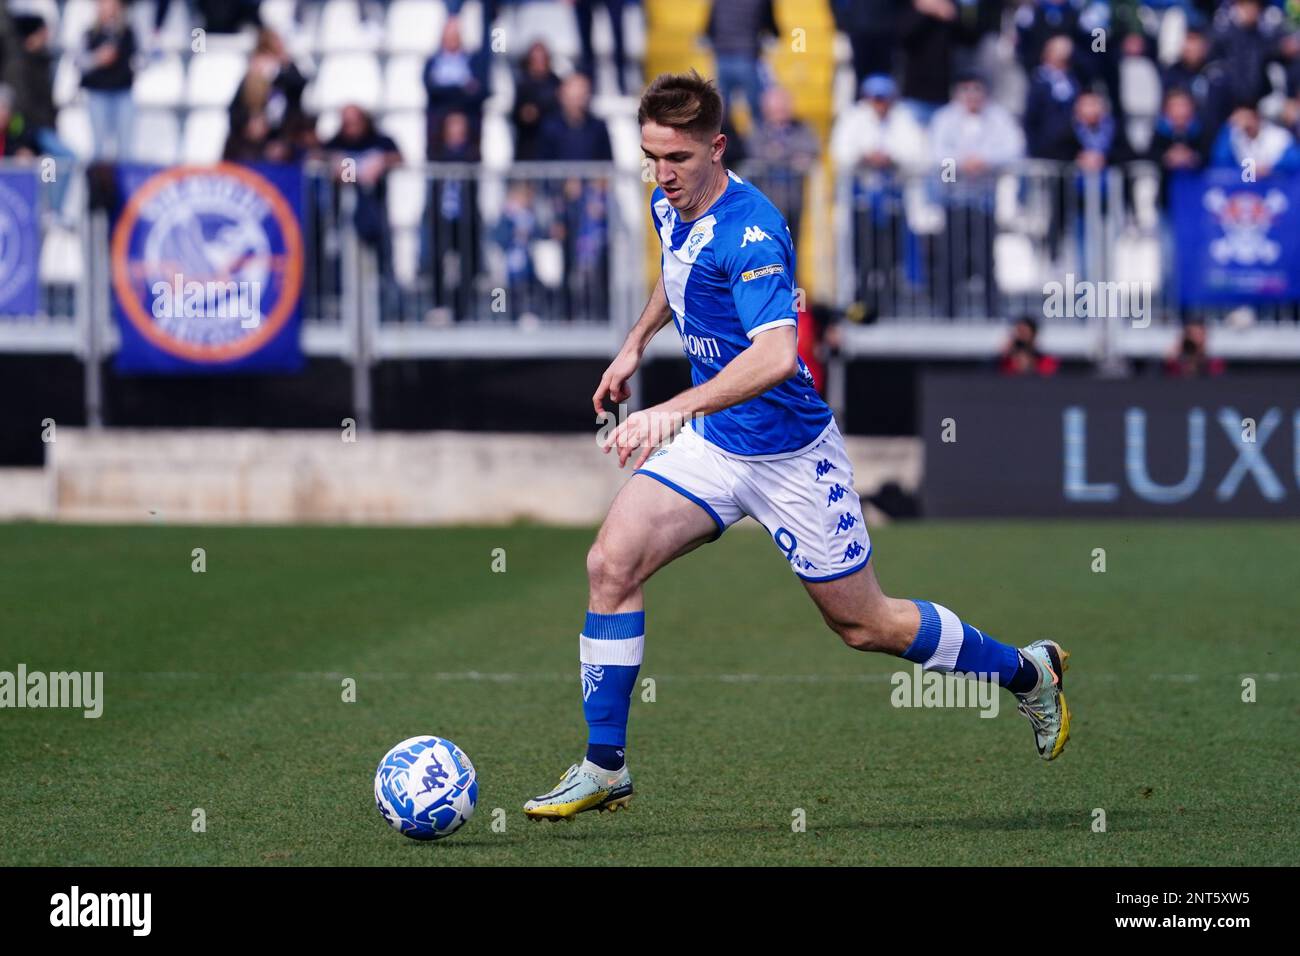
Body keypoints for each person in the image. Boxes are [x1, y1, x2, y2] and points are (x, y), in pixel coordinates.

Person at [522, 71, 1071, 821]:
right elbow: (676, 276)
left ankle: (1026, 673)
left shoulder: (754, 230)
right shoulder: (668, 201)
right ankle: (604, 766)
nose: (662, 174)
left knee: (863, 624)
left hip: (790, 455)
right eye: (652, 156)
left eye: (677, 158)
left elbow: (778, 356)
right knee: (610, 564)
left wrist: (671, 408)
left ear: (717, 149)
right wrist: (631, 347)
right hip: (717, 444)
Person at [79, 0, 136, 162]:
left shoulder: (128, 33)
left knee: (125, 148)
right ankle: (98, 185)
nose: (109, 10)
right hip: (98, 93)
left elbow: (141, 59)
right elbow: (78, 62)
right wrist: (98, 58)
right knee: (99, 148)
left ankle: (125, 185)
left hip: (123, 92)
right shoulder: (90, 34)